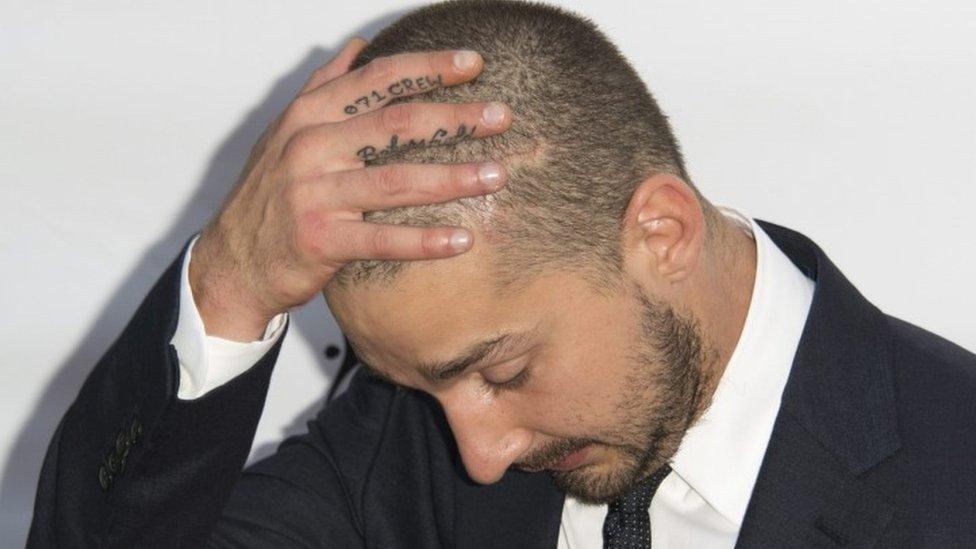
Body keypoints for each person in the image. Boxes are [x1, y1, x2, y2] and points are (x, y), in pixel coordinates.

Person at [28, 0, 976, 547]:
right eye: (426, 384)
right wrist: (231, 284)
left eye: (506, 369)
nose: (479, 453)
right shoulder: (412, 441)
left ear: (662, 232)